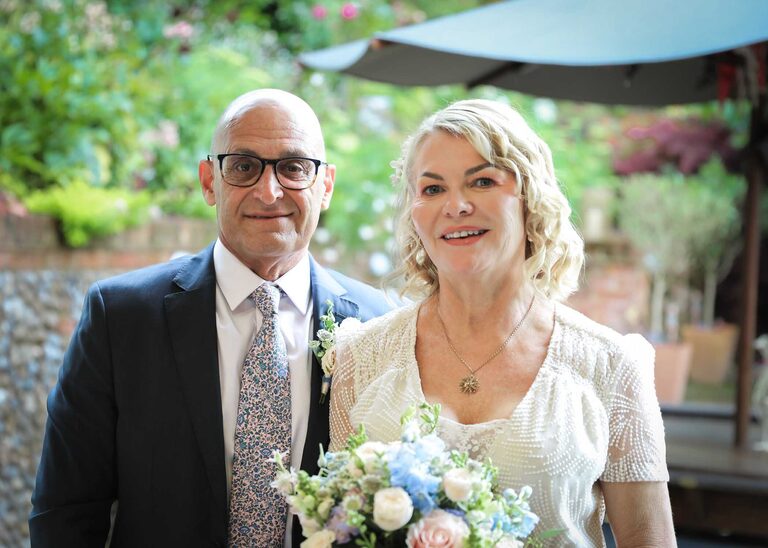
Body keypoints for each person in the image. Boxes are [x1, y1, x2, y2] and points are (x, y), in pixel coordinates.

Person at [29, 89, 393, 547]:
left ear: (326, 186)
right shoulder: (120, 317)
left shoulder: (381, 325)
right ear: (209, 181)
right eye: (243, 166)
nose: (269, 190)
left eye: (293, 167)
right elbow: (65, 510)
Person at [330, 99, 676, 547]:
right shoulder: (360, 357)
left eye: (482, 181)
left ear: (530, 197)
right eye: (433, 189)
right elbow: (341, 528)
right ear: (414, 213)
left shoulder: (610, 365)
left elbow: (649, 539)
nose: (455, 206)